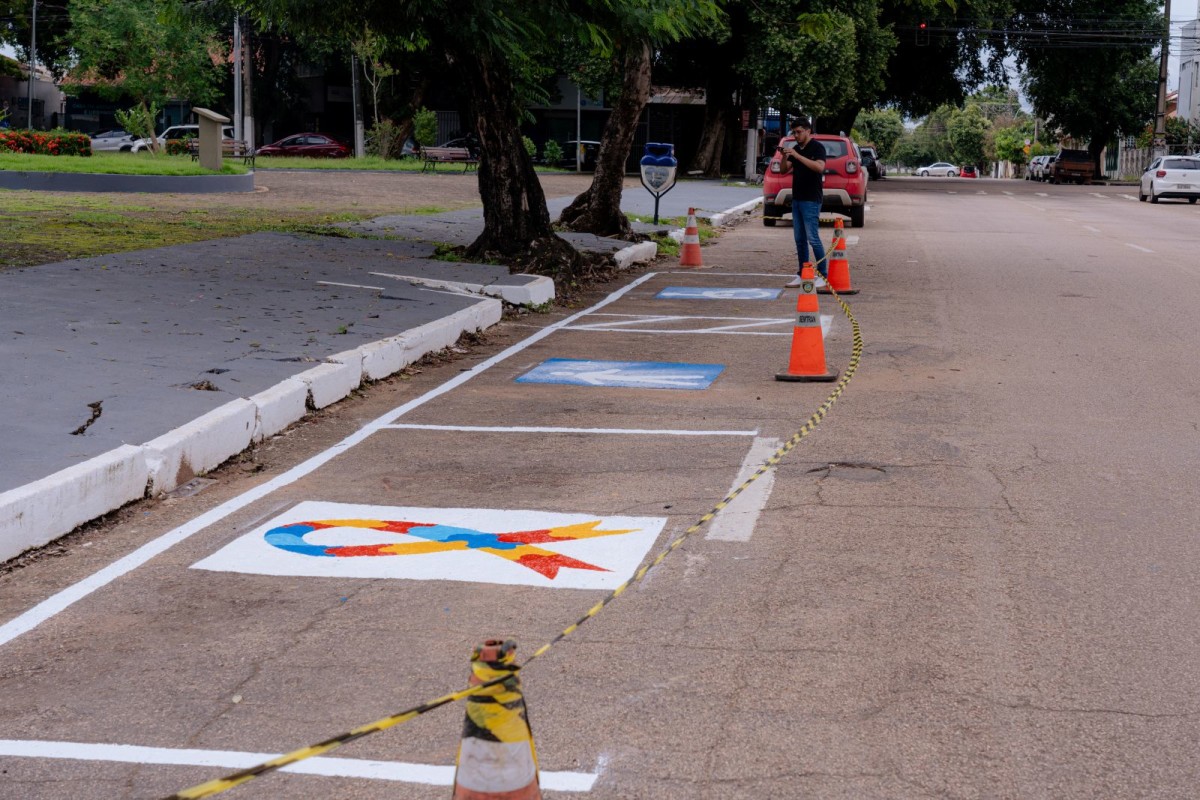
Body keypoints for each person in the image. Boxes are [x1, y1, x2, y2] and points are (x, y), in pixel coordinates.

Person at [779, 118, 826, 286]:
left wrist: (798, 156)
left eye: (799, 132)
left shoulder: (817, 147)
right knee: (800, 239)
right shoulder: (795, 149)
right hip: (797, 198)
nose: (796, 135)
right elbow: (783, 170)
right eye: (794, 132)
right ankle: (803, 273)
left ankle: (823, 275)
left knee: (813, 238)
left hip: (812, 198)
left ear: (808, 131)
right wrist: (785, 156)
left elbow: (819, 167)